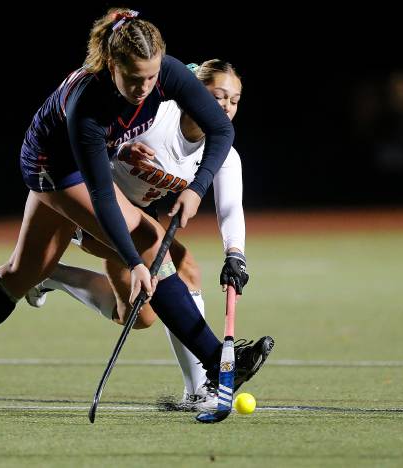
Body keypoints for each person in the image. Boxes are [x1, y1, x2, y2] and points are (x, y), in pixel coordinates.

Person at [0, 8, 249, 417]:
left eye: (152, 77)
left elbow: (222, 130)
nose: (145, 87)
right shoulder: (87, 102)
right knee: (148, 242)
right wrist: (132, 262)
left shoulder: (167, 72)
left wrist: (196, 189)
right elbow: (103, 195)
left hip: (81, 161)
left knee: (22, 272)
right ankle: (219, 362)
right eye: (134, 79)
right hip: (51, 165)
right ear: (112, 65)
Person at [26, 60, 274, 411]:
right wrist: (118, 150)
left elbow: (231, 207)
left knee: (137, 315)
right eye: (218, 97)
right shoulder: (157, 117)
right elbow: (89, 138)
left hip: (138, 221)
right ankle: (199, 389)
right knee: (184, 267)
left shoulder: (223, 152)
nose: (226, 108)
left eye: (234, 101)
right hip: (94, 208)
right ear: (194, 91)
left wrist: (235, 254)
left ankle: (52, 275)